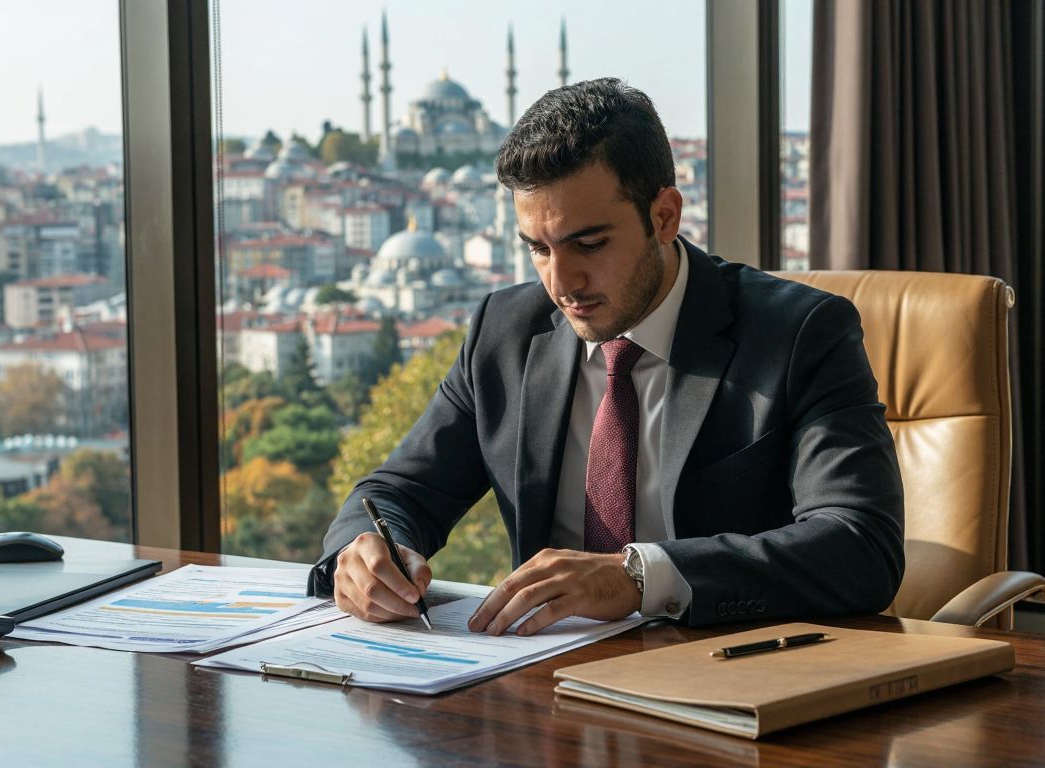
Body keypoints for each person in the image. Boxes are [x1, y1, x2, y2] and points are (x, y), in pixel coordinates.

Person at [308, 77, 904, 635]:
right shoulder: (505, 331)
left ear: (664, 216)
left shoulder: (799, 333)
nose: (561, 281)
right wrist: (365, 554)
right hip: (544, 691)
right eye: (538, 249)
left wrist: (641, 576)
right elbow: (395, 494)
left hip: (730, 682)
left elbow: (859, 545)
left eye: (588, 243)